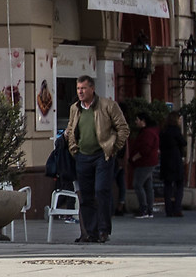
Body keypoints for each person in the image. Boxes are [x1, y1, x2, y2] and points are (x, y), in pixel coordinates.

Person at [59, 75, 127, 244]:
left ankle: (103, 230)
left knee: (101, 190)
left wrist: (113, 147)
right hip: (82, 156)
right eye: (78, 89)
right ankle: (90, 232)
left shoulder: (108, 106)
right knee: (86, 195)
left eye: (83, 88)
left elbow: (123, 129)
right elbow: (71, 128)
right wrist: (73, 148)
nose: (80, 92)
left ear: (92, 88)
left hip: (102, 155)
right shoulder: (75, 108)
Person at [127, 110, 161, 219]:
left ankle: (144, 209)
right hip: (149, 162)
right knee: (148, 186)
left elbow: (145, 149)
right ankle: (149, 210)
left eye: (137, 120)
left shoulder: (147, 133)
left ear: (143, 121)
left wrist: (135, 157)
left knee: (137, 184)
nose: (136, 122)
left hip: (144, 163)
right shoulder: (150, 131)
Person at [158, 108, 187, 216]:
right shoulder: (176, 131)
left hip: (165, 160)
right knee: (179, 184)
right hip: (175, 160)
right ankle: (177, 208)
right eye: (179, 119)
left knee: (168, 185)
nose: (180, 121)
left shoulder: (163, 131)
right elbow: (183, 142)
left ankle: (168, 209)